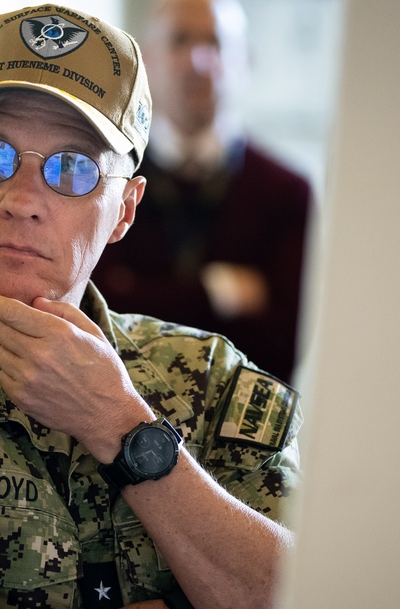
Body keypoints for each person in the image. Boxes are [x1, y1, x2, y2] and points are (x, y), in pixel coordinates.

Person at [0, 5, 301, 609]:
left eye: (71, 169)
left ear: (125, 209)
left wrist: (122, 427)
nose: (22, 198)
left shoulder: (211, 379)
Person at [91, 0, 313, 384]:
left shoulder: (288, 192)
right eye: (179, 41)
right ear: (147, 59)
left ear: (246, 61)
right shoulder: (102, 176)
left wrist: (145, 292)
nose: (197, 60)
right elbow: (93, 314)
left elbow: (283, 345)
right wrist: (217, 292)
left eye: (216, 44)